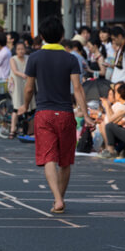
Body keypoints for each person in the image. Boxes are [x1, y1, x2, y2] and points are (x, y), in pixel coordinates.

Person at [18, 16, 94, 214]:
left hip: (44, 113)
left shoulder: (34, 58)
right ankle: (60, 198)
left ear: (42, 36)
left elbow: (28, 88)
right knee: (65, 160)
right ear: (62, 36)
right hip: (66, 114)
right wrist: (85, 115)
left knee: (48, 158)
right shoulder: (70, 59)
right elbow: (77, 88)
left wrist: (25, 106)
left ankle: (57, 199)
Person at [9, 42, 34, 138]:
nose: (21, 51)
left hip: (26, 83)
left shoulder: (28, 58)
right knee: (16, 106)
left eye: (22, 49)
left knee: (30, 108)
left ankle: (30, 131)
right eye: (19, 49)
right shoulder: (13, 59)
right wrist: (24, 75)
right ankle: (12, 130)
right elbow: (15, 71)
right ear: (16, 50)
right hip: (16, 84)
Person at [98, 82, 125, 158]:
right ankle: (111, 150)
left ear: (119, 95)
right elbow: (115, 121)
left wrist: (107, 106)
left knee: (109, 126)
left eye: (116, 93)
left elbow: (111, 120)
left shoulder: (124, 107)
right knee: (110, 126)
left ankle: (111, 151)